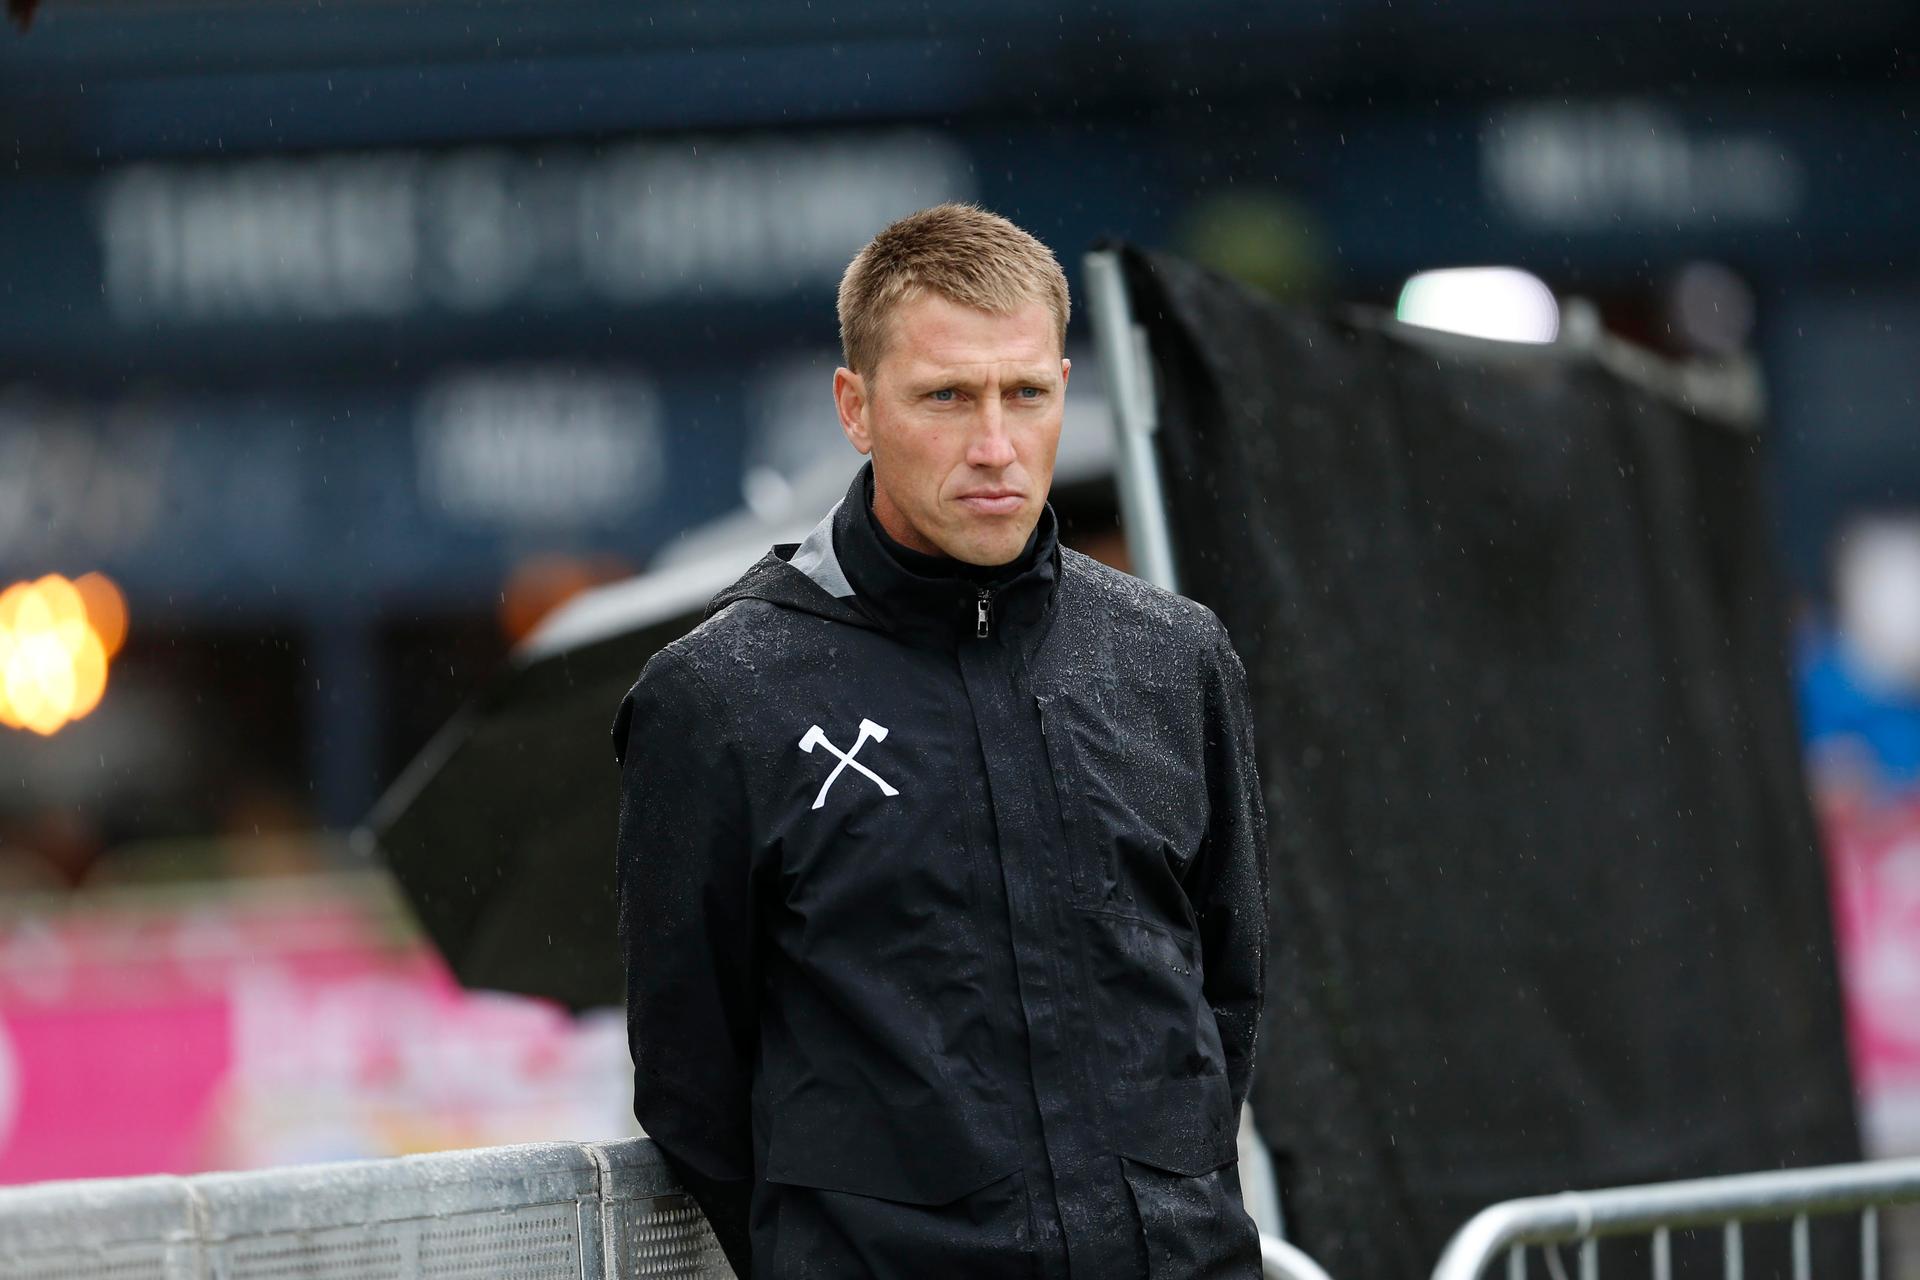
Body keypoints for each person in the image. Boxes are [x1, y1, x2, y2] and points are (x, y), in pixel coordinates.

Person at [613, 203, 1268, 1279]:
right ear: (856, 408)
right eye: (947, 397)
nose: (995, 447)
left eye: (1028, 394)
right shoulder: (723, 695)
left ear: (1066, 388)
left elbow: (1226, 997)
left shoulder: (1174, 656)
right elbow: (692, 1082)